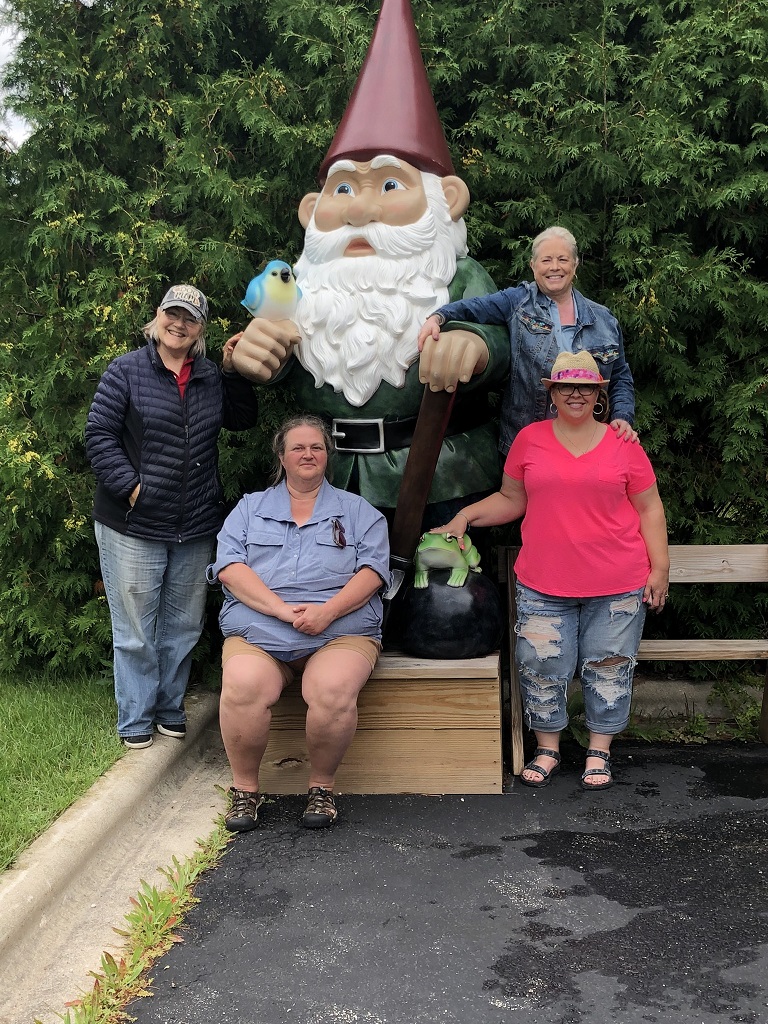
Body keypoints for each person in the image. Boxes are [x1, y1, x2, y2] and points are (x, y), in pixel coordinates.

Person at [230, 0, 509, 524]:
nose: (359, 209)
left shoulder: (454, 275)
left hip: (439, 477)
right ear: (312, 212)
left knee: (449, 604)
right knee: (327, 595)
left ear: (445, 199)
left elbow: (502, 337)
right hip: (327, 481)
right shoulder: (298, 286)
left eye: (387, 184)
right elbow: (273, 350)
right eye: (342, 189)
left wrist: (476, 345)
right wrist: (251, 353)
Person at [434, 351, 669, 791]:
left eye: (586, 386)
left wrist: (661, 568)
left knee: (609, 666)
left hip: (618, 581)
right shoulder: (530, 439)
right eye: (566, 386)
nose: (575, 393)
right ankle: (548, 748)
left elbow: (650, 508)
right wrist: (464, 516)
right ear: (552, 392)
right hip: (544, 581)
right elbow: (511, 499)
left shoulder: (624, 444)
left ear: (600, 393)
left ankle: (599, 752)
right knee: (540, 665)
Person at [85, 285, 258, 748]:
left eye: (191, 318)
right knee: (137, 630)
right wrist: (131, 487)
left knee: (182, 627)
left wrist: (231, 370)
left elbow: (242, 419)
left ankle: (168, 707)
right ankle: (136, 720)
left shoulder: (207, 376)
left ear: (201, 329)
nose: (179, 324)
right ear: (158, 317)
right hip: (133, 523)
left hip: (194, 523)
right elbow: (98, 435)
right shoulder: (126, 371)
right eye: (172, 314)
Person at [206, 415, 391, 831]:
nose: (308, 454)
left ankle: (321, 789)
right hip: (261, 631)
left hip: (340, 632)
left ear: (328, 456)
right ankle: (245, 792)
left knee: (329, 689)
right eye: (298, 448)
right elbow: (230, 568)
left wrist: (327, 612)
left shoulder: (358, 510)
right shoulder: (249, 509)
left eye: (317, 447)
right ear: (282, 457)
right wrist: (279, 610)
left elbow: (374, 572)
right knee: (242, 686)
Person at [418, 225, 637, 458]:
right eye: (546, 260)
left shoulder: (604, 319)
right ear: (533, 266)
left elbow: (620, 376)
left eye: (563, 259)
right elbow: (475, 308)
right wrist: (439, 316)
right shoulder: (518, 302)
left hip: (588, 449)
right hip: (527, 449)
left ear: (575, 265)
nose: (554, 267)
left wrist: (622, 417)